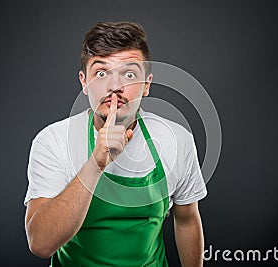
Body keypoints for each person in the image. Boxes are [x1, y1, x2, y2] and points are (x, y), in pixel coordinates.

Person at [24, 21, 207, 267]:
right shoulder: (53, 141)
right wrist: (96, 163)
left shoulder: (176, 140)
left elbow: (186, 220)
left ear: (146, 85)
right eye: (101, 73)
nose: (114, 87)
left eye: (129, 74)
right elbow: (40, 243)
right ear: (83, 81)